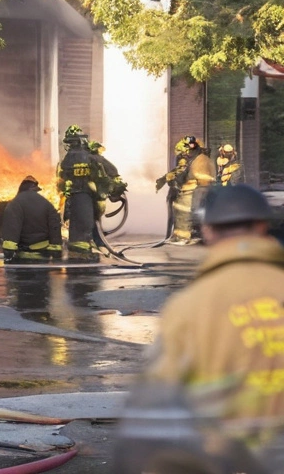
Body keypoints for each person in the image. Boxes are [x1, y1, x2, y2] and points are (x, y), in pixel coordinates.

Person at [115, 185, 284, 473]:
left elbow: (154, 411)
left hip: (228, 459)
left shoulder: (190, 308)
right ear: (262, 225)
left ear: (207, 231)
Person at [56, 125, 103, 262]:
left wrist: (63, 192)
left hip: (77, 195)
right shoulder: (91, 156)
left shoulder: (69, 158)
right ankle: (92, 246)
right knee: (90, 222)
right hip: (90, 195)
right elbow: (105, 173)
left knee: (79, 225)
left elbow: (62, 178)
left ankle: (82, 252)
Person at [0, 176, 63, 263]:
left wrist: (8, 254)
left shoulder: (15, 203)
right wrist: (56, 252)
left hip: (24, 257)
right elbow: (55, 226)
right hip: (43, 255)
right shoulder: (47, 204)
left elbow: (12, 228)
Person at [173, 136, 216, 244]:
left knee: (190, 212)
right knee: (184, 213)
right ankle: (182, 236)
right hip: (189, 190)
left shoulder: (201, 160)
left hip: (194, 191)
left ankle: (187, 236)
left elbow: (202, 177)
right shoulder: (191, 159)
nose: (184, 154)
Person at [157, 138, 193, 239]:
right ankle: (170, 236)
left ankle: (171, 236)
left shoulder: (184, 164)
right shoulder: (181, 165)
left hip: (177, 192)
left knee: (175, 216)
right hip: (175, 193)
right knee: (173, 216)